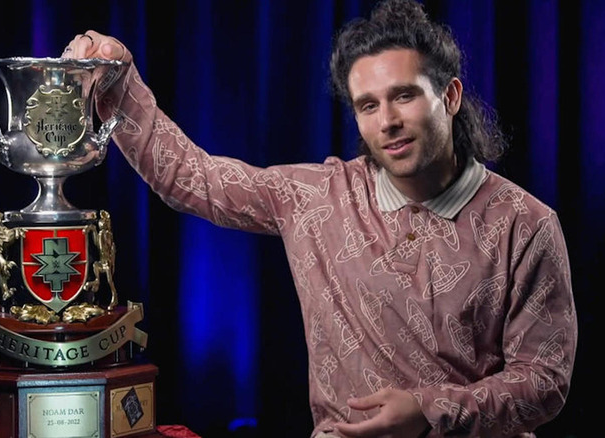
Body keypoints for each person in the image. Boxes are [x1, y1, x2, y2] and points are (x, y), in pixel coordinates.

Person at [62, 0, 577, 436]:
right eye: (367, 105)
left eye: (404, 95)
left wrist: (428, 410)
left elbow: (545, 380)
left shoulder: (524, 223)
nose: (388, 121)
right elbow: (190, 176)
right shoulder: (317, 198)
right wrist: (117, 80)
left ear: (450, 96)